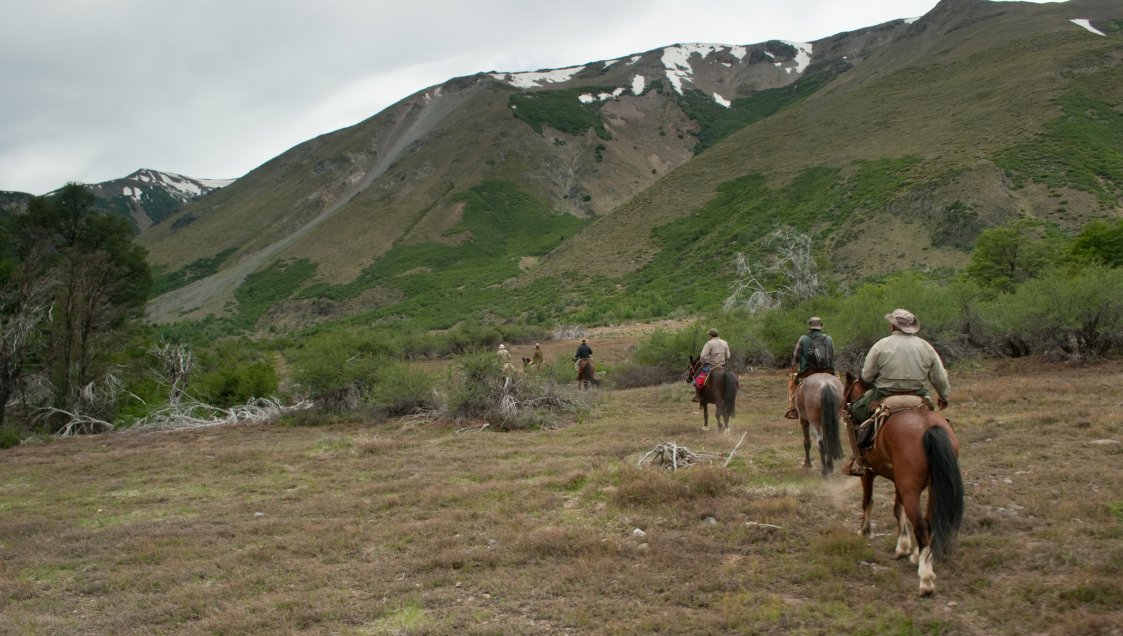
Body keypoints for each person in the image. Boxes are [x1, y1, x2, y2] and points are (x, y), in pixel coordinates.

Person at [843, 308, 950, 476]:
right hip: (918, 395)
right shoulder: (926, 346)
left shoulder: (881, 345)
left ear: (893, 326)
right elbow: (940, 377)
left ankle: (861, 460)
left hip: (884, 394)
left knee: (853, 411)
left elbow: (867, 376)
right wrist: (944, 395)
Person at [785, 316, 836, 419]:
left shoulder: (803, 339)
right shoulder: (829, 339)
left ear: (809, 327)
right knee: (839, 385)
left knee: (793, 383)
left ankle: (792, 408)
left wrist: (794, 366)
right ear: (821, 326)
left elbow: (796, 357)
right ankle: (841, 406)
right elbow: (833, 355)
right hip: (828, 372)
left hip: (808, 373)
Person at [693, 328, 731, 401]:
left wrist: (704, 362)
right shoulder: (725, 343)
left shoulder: (709, 343)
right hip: (722, 365)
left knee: (697, 378)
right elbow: (728, 356)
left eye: (708, 335)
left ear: (710, 335)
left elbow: (703, 356)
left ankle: (697, 396)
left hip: (710, 365)